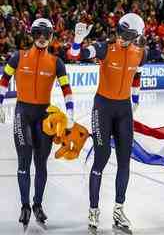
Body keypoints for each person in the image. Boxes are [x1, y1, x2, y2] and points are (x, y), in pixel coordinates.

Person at [69, 13, 146, 233]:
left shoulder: (141, 52)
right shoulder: (104, 48)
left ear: (137, 36)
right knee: (101, 159)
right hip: (102, 108)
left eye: (128, 35)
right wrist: (77, 40)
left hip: (124, 111)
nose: (122, 37)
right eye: (120, 32)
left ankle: (118, 210)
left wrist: (136, 98)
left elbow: (137, 74)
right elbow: (74, 55)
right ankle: (93, 209)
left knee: (124, 162)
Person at [0, 18, 74, 229]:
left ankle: (37, 205)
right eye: (38, 34)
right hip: (22, 113)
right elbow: (4, 81)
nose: (41, 38)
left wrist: (70, 111)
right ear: (32, 35)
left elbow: (66, 89)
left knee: (41, 163)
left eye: (46, 35)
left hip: (44, 117)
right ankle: (25, 206)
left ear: (51, 37)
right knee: (24, 161)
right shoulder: (18, 56)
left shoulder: (56, 62)